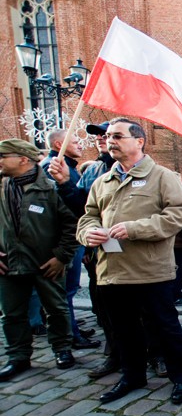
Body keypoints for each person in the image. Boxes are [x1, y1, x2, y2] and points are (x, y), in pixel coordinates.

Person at [76, 118, 182, 405]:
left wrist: (135, 228)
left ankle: (181, 377)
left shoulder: (163, 177)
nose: (110, 141)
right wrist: (87, 232)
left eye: (117, 136)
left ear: (139, 141)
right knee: (123, 329)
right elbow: (88, 215)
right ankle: (132, 375)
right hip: (111, 272)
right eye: (108, 136)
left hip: (150, 270)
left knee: (164, 326)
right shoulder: (102, 181)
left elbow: (178, 214)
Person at [48, 122, 123, 377]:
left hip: (130, 256)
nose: (103, 139)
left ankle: (154, 353)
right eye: (101, 136)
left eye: (111, 135)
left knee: (143, 310)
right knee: (104, 307)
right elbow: (81, 211)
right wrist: (66, 184)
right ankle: (115, 353)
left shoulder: (137, 171)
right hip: (98, 256)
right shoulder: (93, 172)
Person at [0, 138, 78, 380]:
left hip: (46, 263)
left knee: (56, 308)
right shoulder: (2, 186)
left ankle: (62, 349)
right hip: (9, 263)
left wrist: (61, 257)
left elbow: (72, 224)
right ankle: (18, 357)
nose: (0, 161)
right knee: (12, 314)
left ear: (23, 159)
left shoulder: (51, 188)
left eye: (3, 156)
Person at [41, 130, 101, 350]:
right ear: (60, 144)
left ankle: (72, 327)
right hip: (65, 239)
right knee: (64, 291)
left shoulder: (69, 167)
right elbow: (61, 210)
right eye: (76, 142)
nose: (80, 146)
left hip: (75, 237)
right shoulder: (52, 168)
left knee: (70, 289)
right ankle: (69, 335)